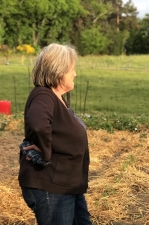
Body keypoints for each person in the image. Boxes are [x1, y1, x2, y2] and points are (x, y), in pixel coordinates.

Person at [18, 43, 92, 225]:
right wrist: (45, 151)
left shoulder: (56, 98)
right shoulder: (43, 96)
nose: (75, 74)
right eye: (72, 69)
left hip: (67, 186)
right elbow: (37, 125)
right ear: (58, 71)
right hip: (51, 187)